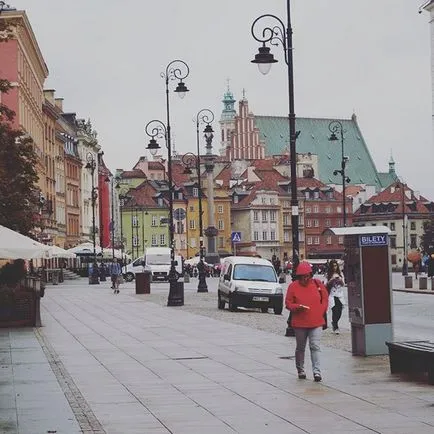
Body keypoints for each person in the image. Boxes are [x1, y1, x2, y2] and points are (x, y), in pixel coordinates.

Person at [285, 261, 328, 382]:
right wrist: (296, 307)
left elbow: (325, 298)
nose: (305, 278)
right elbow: (288, 303)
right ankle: (301, 369)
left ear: (310, 274)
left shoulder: (317, 284)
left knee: (315, 346)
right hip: (300, 322)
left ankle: (317, 371)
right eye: (302, 276)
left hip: (316, 321)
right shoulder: (293, 286)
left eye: (307, 275)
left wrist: (322, 309)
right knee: (300, 347)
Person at [325, 259, 346, 334]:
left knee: (339, 311)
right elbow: (326, 285)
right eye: (333, 266)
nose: (335, 267)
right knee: (335, 310)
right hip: (332, 295)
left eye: (336, 265)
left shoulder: (340, 273)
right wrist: (331, 280)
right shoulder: (328, 274)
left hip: (339, 295)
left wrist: (340, 280)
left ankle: (334, 322)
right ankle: (335, 326)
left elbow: (343, 284)